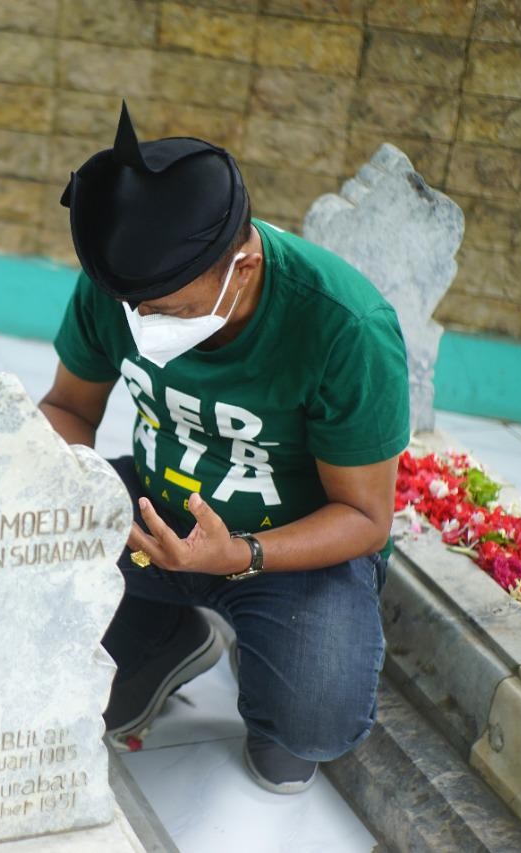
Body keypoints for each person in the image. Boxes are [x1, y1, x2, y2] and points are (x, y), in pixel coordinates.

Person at [39, 104, 409, 793]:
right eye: (134, 308)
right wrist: (79, 493)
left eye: (172, 309)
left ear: (241, 265)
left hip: (292, 547)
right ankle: (170, 634)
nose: (146, 322)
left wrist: (239, 555)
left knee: (306, 732)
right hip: (155, 512)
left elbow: (365, 517)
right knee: (53, 679)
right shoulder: (124, 285)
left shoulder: (343, 326)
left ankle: (255, 632)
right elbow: (66, 408)